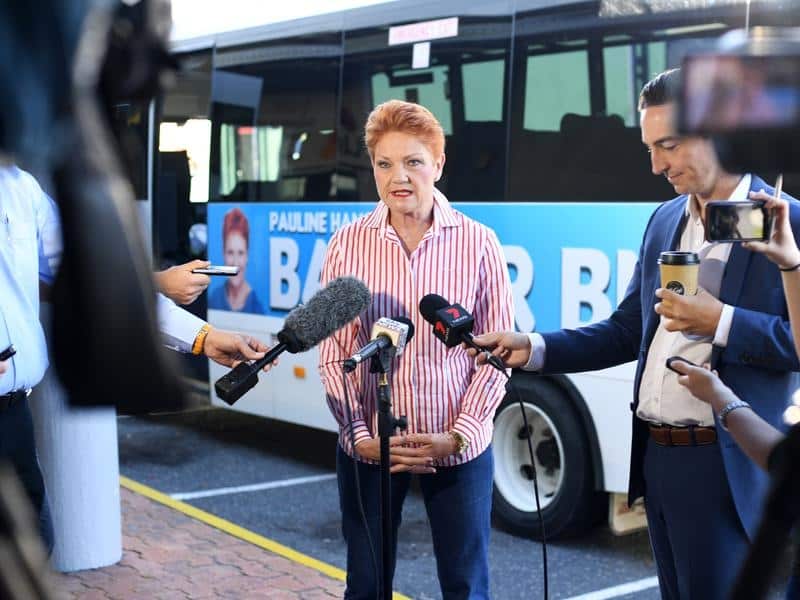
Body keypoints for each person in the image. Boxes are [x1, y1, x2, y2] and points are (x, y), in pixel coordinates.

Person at [468, 69, 800, 600]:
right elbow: (628, 330)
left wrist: (722, 323)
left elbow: (797, 342)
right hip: (658, 460)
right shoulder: (664, 219)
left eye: (668, 145)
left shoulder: (785, 221)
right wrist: (533, 348)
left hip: (727, 465)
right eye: (650, 148)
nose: (656, 165)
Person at [0, 163, 271, 553]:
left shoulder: (19, 186)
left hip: (12, 423)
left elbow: (87, 276)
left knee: (34, 553)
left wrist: (203, 337)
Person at [318, 99, 513, 599]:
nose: (397, 177)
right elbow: (336, 353)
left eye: (413, 162)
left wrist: (461, 436)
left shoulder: (479, 243)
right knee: (366, 583)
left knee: (467, 584)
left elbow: (494, 357)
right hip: (369, 449)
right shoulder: (347, 244)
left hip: (457, 445)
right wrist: (360, 436)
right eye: (384, 163)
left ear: (439, 165)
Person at [208, 207, 264, 313]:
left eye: (240, 253)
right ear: (223, 254)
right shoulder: (214, 298)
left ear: (247, 256)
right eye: (230, 252)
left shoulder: (256, 307)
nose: (235, 262)